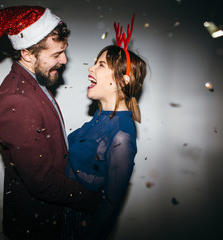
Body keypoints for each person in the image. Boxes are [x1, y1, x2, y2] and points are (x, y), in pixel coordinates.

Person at [0, 6, 100, 240]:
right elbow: (43, 183)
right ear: (26, 54)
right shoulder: (17, 99)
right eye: (56, 54)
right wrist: (95, 197)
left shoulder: (35, 81)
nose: (64, 60)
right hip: (35, 226)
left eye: (64, 51)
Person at [62, 15, 147, 240]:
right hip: (63, 216)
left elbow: (110, 205)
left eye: (100, 64)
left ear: (123, 81)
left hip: (79, 226)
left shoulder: (121, 136)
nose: (90, 67)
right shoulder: (100, 116)